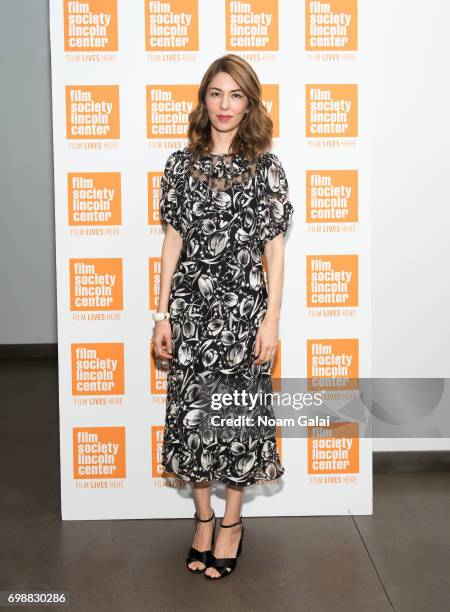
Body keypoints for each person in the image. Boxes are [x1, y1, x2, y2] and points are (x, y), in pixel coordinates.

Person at [152, 53, 294, 580]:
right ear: (203, 99)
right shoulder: (180, 166)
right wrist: (162, 313)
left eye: (237, 95)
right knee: (194, 418)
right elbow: (172, 243)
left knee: (234, 422)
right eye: (216, 93)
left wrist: (272, 318)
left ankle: (231, 525)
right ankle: (203, 517)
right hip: (191, 311)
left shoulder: (267, 169)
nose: (225, 105)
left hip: (243, 315)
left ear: (250, 103)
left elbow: (274, 251)